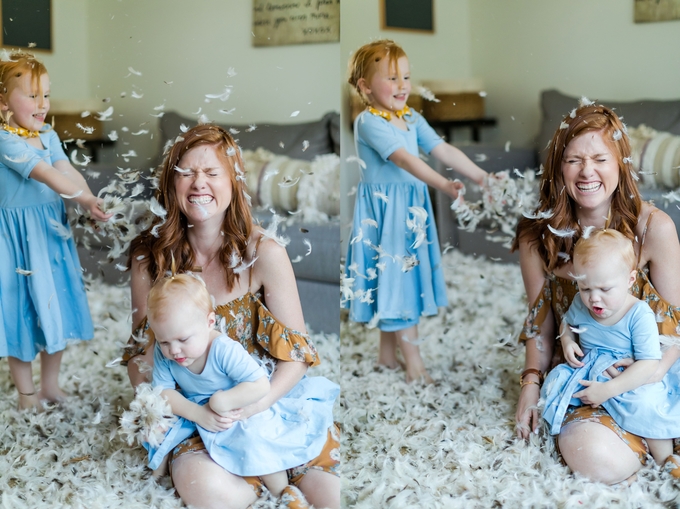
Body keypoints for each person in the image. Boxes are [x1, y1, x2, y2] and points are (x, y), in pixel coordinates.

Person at [122, 123, 340, 509]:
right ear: (171, 184)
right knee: (207, 492)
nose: (198, 183)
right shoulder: (148, 257)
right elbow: (141, 354)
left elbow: (298, 354)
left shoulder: (265, 253)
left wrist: (254, 408)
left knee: (326, 496)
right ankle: (255, 483)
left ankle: (281, 474)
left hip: (267, 400)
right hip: (196, 414)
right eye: (186, 173)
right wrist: (159, 406)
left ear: (234, 181)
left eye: (211, 173)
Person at [513, 101, 680, 484]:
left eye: (600, 158)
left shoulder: (655, 228)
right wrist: (530, 383)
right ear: (558, 167)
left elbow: (675, 334)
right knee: (592, 458)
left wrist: (646, 374)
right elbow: (541, 323)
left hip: (650, 374)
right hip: (583, 379)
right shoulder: (535, 236)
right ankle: (624, 441)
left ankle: (655, 438)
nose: (587, 171)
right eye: (573, 160)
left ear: (620, 163)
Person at [343, 39, 489, 383]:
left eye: (406, 77)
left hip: (410, 211)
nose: (402, 86)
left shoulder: (411, 117)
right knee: (398, 284)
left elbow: (443, 149)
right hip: (386, 215)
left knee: (394, 281)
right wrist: (444, 185)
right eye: (391, 78)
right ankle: (415, 366)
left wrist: (481, 177)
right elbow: (406, 160)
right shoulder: (368, 122)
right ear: (365, 86)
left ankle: (386, 357)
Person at [145, 273, 338, 507]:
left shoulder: (222, 349)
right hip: (198, 409)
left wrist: (222, 403)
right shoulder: (165, 350)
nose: (174, 351)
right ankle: (153, 480)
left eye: (183, 339)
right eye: (164, 342)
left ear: (209, 322)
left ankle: (281, 492)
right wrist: (198, 414)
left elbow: (259, 385)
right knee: (157, 431)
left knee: (254, 438)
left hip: (240, 401)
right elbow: (163, 391)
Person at [0, 51, 111, 410]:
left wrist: (89, 198)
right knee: (20, 309)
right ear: (3, 101)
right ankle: (27, 394)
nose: (42, 103)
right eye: (31, 95)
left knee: (55, 303)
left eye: (46, 94)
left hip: (49, 233)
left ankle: (50, 385)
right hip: (17, 241)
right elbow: (46, 174)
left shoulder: (47, 135)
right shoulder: (4, 140)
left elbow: (66, 170)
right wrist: (80, 199)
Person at [542, 229, 680, 466]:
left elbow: (649, 363)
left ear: (630, 280)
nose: (594, 299)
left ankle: (666, 460)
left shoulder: (638, 314)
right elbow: (567, 322)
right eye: (585, 289)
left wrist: (608, 390)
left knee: (646, 405)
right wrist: (567, 341)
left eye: (604, 289)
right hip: (590, 369)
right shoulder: (580, 303)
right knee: (554, 385)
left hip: (627, 376)